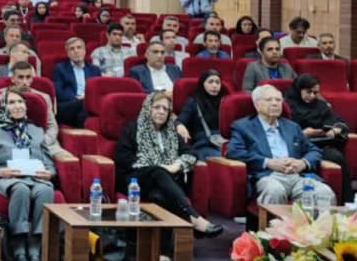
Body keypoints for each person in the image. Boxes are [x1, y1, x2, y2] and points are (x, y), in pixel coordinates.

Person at [115, 93, 222, 239]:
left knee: (158, 197)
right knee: (159, 172)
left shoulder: (172, 131)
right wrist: (156, 166)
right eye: (157, 107)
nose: (161, 112)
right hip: (137, 179)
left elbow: (191, 153)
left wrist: (177, 165)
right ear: (148, 108)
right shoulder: (134, 128)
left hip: (166, 182)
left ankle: (162, 249)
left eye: (165, 109)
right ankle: (193, 217)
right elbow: (123, 158)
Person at [0, 89, 56, 261]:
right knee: (21, 188)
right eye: (12, 102)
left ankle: (35, 247)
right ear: (3, 107)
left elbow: (48, 160)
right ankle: (19, 247)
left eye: (20, 102)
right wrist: (0, 172)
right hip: (8, 178)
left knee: (46, 190)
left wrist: (50, 173)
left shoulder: (37, 131)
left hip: (36, 177)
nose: (17, 106)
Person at [226, 85, 335, 207]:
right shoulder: (243, 127)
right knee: (275, 190)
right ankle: (273, 221)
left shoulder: (292, 126)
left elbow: (314, 150)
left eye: (278, 100)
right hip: (268, 176)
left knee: (324, 192)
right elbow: (234, 152)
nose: (275, 103)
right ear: (256, 104)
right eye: (269, 100)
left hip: (297, 176)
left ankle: (314, 221)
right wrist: (268, 162)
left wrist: (303, 163)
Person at [286, 76, 353, 204]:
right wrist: (303, 134)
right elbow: (284, 131)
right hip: (299, 147)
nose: (312, 96)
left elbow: (339, 121)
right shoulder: (288, 106)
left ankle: (347, 201)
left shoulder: (321, 105)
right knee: (334, 156)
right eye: (308, 92)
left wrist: (335, 129)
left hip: (322, 143)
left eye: (315, 92)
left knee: (337, 156)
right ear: (299, 90)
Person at [178, 69, 227, 161]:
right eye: (210, 82)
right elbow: (179, 121)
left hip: (224, 143)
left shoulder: (225, 101)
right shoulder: (193, 102)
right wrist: (179, 125)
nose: (214, 85)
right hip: (204, 145)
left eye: (217, 82)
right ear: (202, 84)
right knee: (222, 159)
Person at [52, 37, 101, 128]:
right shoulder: (60, 68)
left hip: (87, 104)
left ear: (84, 51)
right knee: (84, 105)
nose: (76, 51)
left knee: (86, 109)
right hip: (69, 104)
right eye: (72, 49)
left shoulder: (94, 70)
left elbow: (98, 91)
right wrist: (78, 98)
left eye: (79, 47)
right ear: (68, 53)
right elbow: (59, 92)